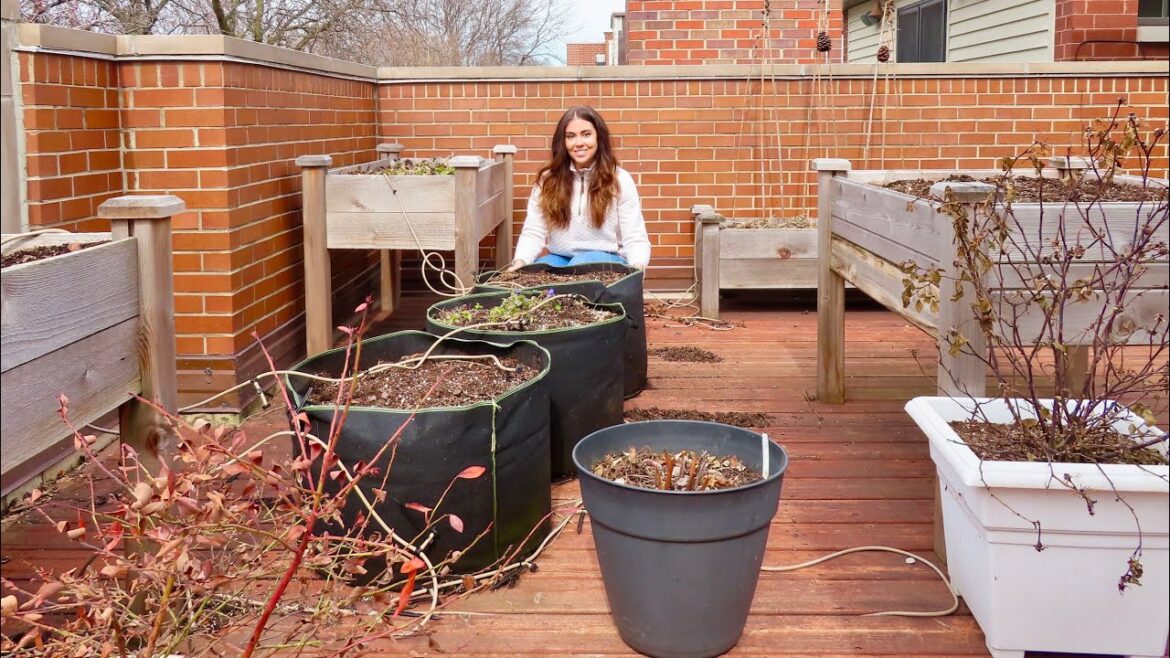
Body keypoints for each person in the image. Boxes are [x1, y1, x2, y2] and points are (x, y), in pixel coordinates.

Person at [508, 106, 651, 271]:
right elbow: (534, 231)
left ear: (599, 138)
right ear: (563, 142)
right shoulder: (547, 180)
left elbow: (635, 236)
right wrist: (520, 262)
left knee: (580, 264)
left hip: (606, 259)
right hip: (560, 259)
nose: (579, 143)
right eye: (570, 136)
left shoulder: (619, 179)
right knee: (541, 270)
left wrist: (637, 267)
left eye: (586, 134)